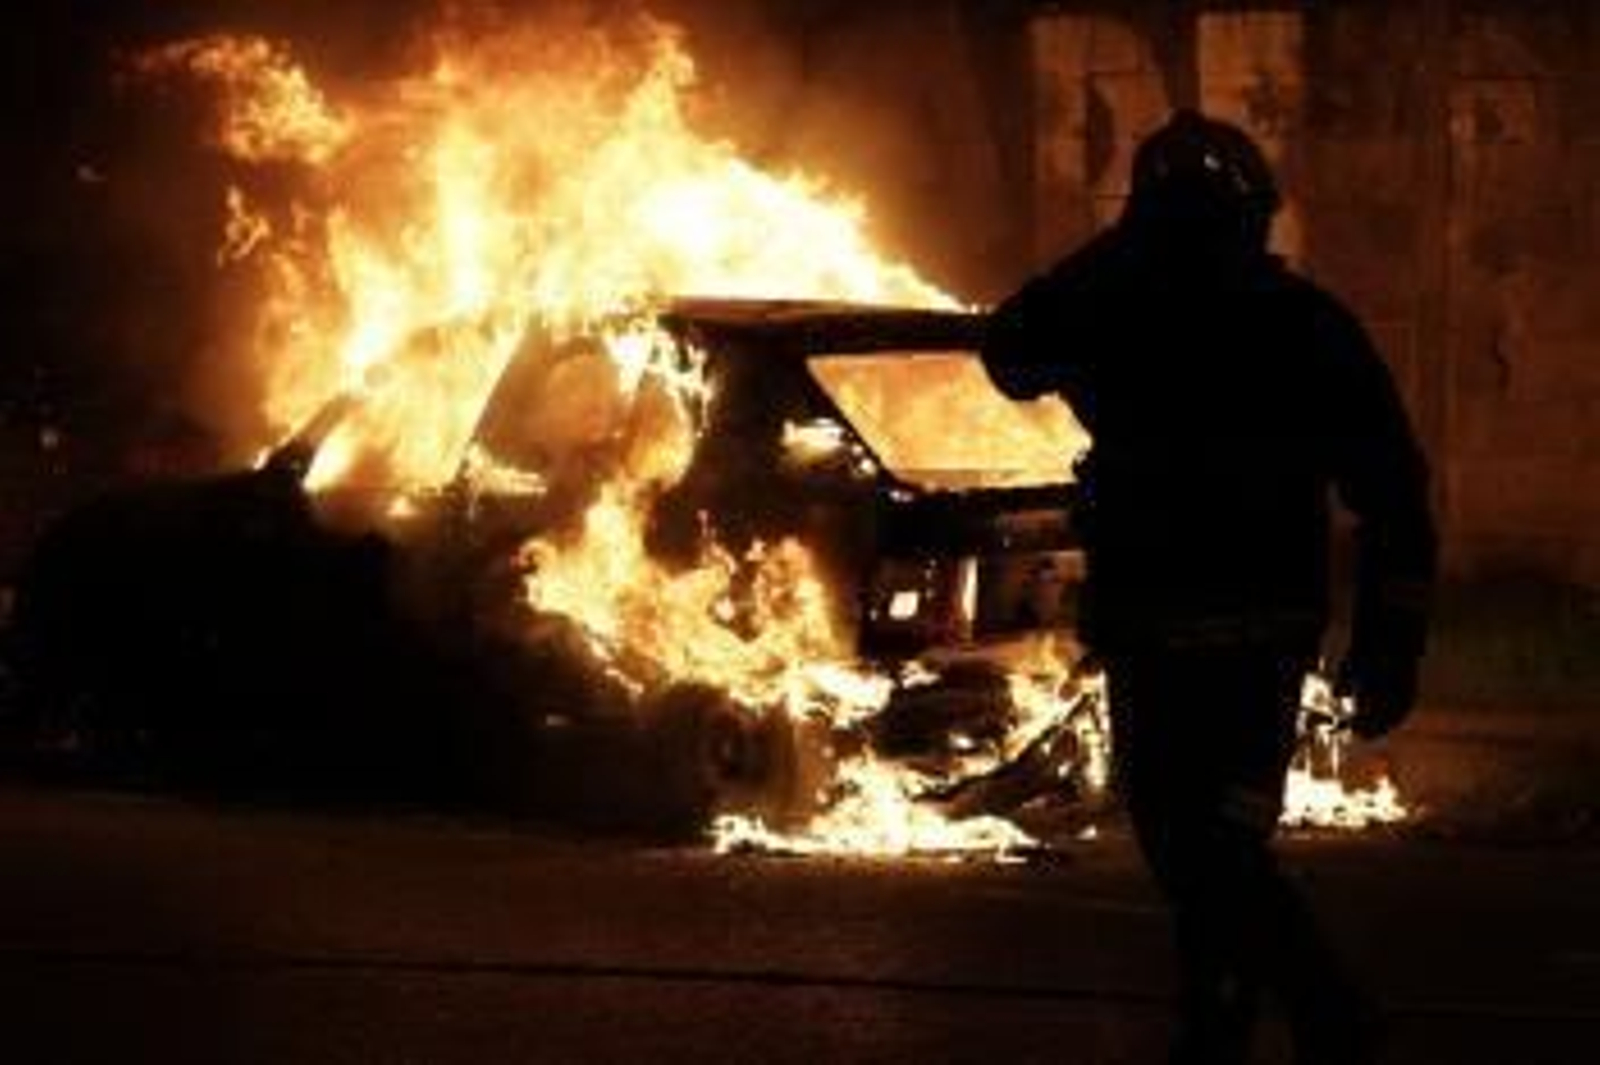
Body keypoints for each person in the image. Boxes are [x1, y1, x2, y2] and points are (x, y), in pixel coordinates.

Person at [982, 109, 1437, 1064]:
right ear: (1259, 216)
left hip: (1173, 625)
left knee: (1189, 840)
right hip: (1252, 628)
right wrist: (1391, 642)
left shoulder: (1116, 306)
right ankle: (1222, 1019)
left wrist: (1114, 249)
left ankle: (1319, 1008)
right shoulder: (1307, 321)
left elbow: (1012, 347)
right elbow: (1393, 491)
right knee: (1209, 835)